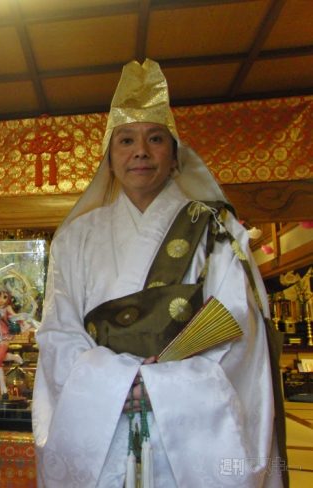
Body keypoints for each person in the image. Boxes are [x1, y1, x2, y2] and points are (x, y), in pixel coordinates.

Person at [32, 59, 287, 488]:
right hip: (103, 421)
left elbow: (237, 322)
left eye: (155, 139)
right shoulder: (75, 239)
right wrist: (118, 382)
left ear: (174, 155)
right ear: (109, 158)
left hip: (188, 427)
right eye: (126, 141)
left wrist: (163, 386)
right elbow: (59, 329)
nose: (140, 152)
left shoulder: (215, 230)